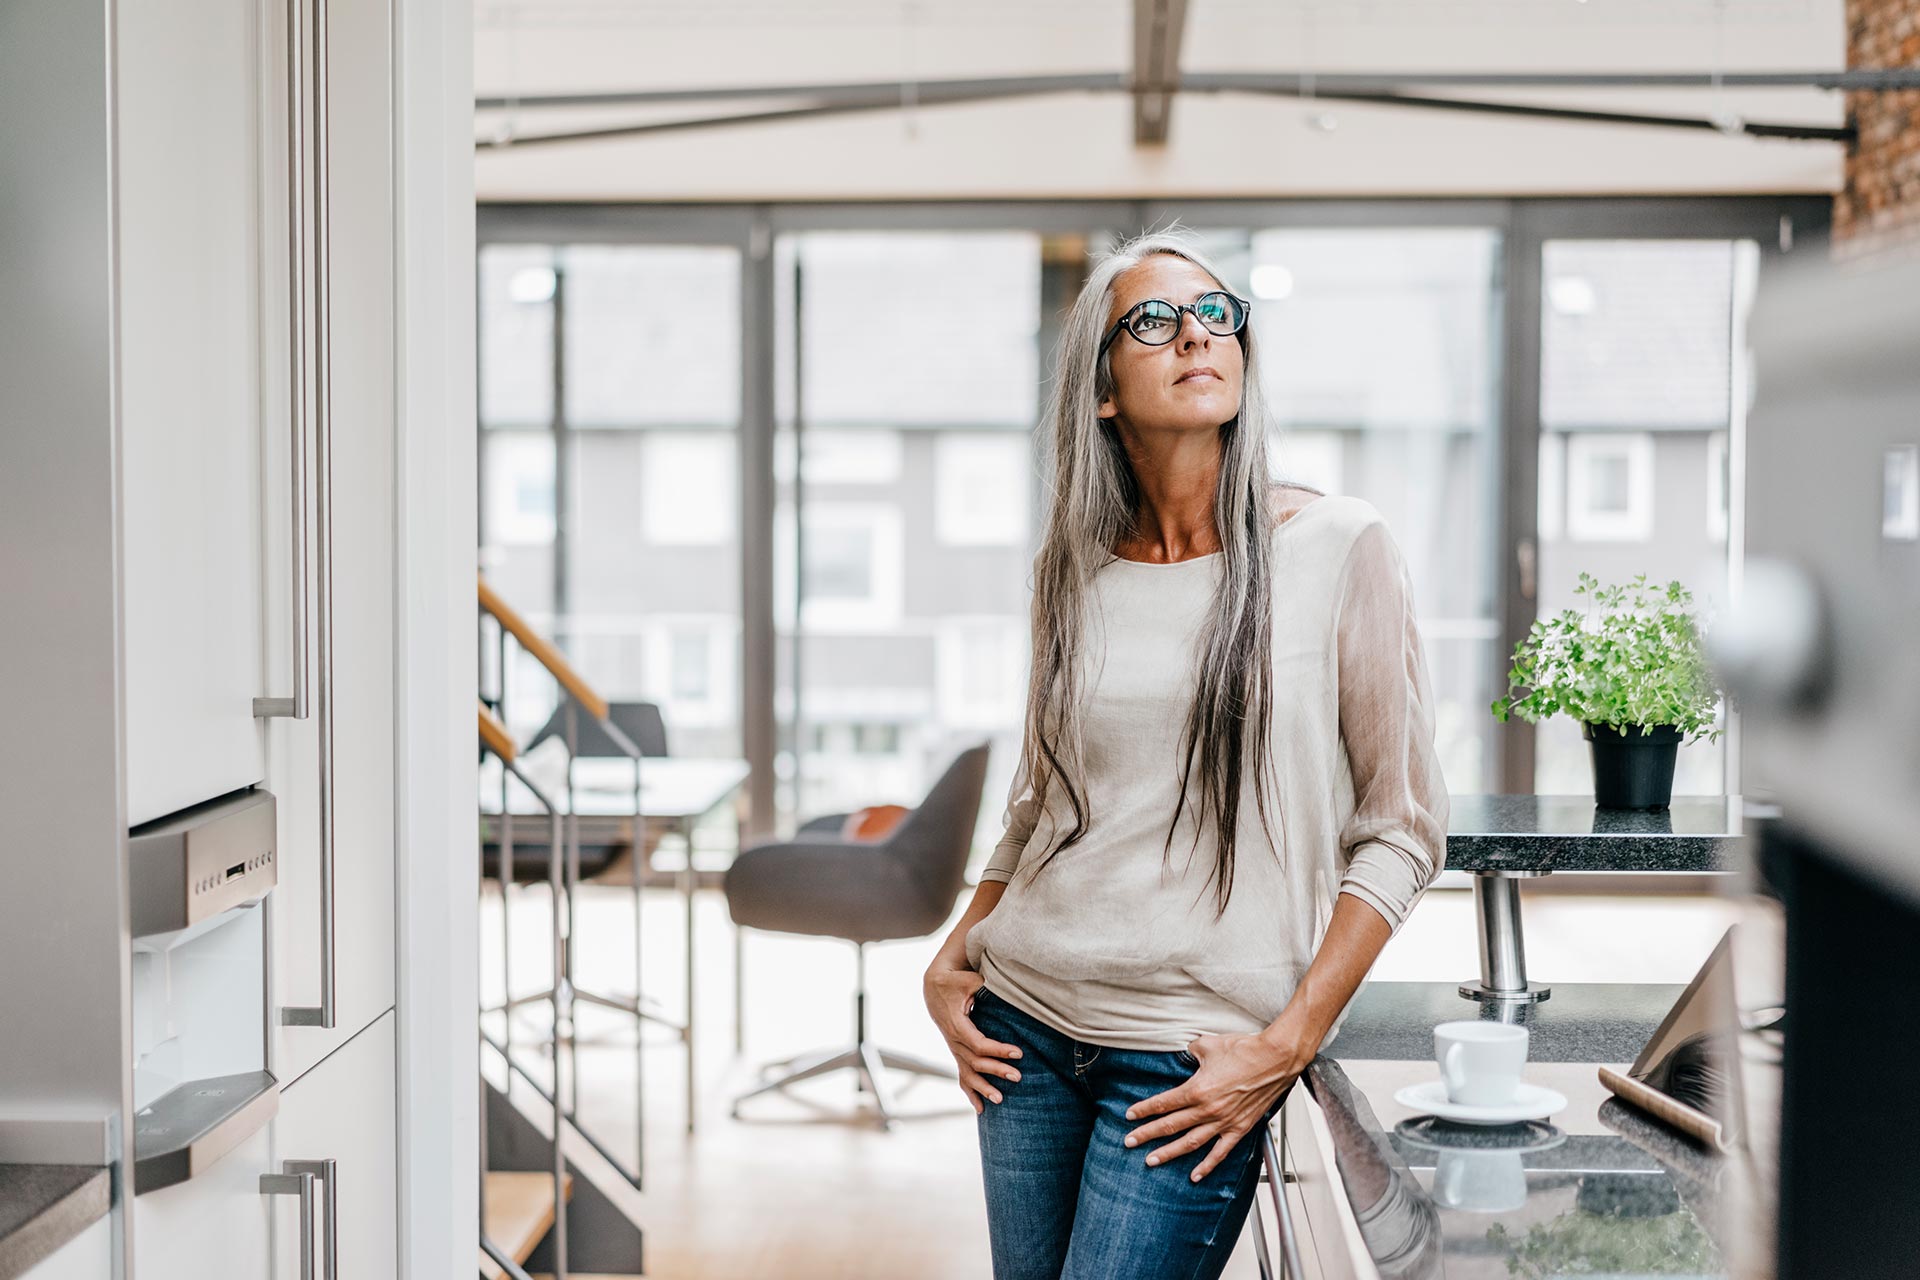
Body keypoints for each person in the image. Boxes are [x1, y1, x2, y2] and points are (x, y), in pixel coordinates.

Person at [921, 227, 1449, 1280]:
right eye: (1154, 320)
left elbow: (1400, 829)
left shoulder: (1340, 546)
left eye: (1217, 313)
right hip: (1023, 1029)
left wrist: (1288, 1039)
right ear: (1104, 387)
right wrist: (955, 948)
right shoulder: (1068, 572)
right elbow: (1044, 796)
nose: (1195, 335)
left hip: (1187, 1052)